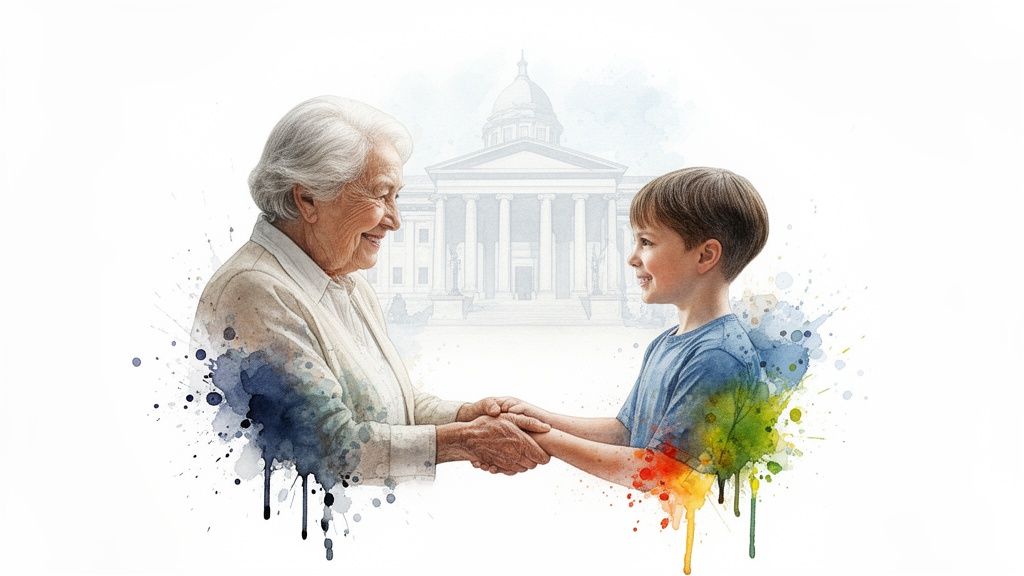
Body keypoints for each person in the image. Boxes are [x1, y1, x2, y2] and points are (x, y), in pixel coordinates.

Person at [191, 96, 549, 495]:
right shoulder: (254, 291)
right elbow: (328, 447)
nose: (395, 220)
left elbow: (391, 405)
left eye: (397, 197)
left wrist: (466, 417)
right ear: (308, 198)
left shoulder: (347, 281)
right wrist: (464, 441)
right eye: (381, 196)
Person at [492, 167, 769, 493]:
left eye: (646, 242)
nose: (632, 258)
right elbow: (626, 432)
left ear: (705, 255)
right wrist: (538, 417)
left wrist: (541, 437)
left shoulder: (718, 356)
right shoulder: (667, 343)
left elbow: (662, 472)